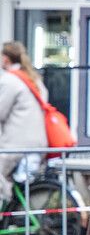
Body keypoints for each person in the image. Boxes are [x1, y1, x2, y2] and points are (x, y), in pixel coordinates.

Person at [0, 41, 48, 202]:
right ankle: (12, 211)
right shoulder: (34, 79)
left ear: (6, 59)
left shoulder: (9, 80)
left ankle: (4, 211)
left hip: (17, 146)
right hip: (38, 144)